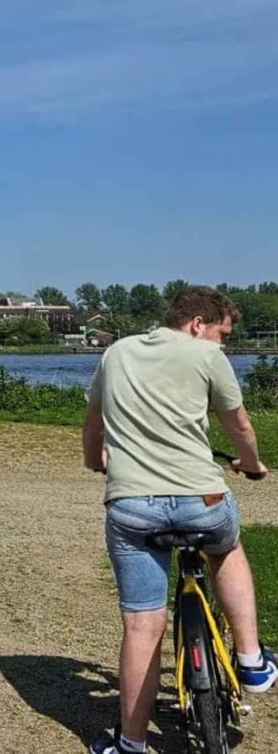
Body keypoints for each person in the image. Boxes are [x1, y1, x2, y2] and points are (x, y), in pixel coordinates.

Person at [83, 286, 275, 754]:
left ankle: (130, 744)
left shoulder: (116, 353)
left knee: (142, 627)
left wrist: (95, 462)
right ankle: (251, 660)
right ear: (196, 324)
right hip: (201, 499)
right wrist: (252, 464)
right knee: (226, 548)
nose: (223, 344)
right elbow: (240, 426)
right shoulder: (206, 358)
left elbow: (94, 425)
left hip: (132, 506)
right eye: (222, 334)